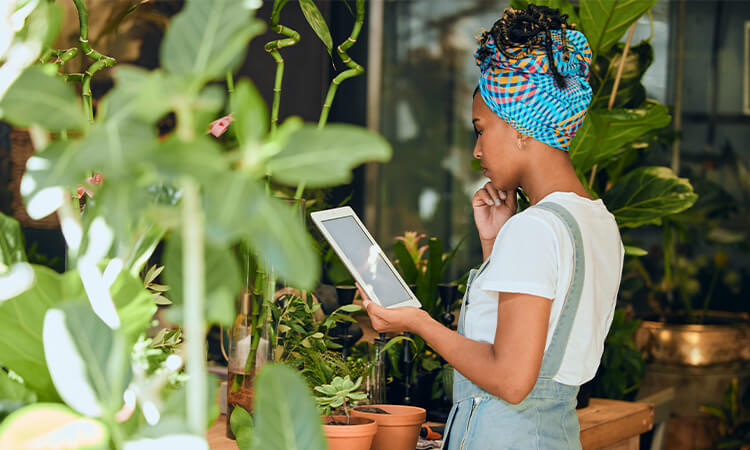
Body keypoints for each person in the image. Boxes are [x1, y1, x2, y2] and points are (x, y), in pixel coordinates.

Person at [359, 4, 624, 449]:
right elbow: (544, 338)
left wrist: (417, 323)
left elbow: (512, 379)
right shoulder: (596, 220)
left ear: (520, 129)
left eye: (481, 129)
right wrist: (495, 246)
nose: (477, 150)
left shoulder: (536, 229)